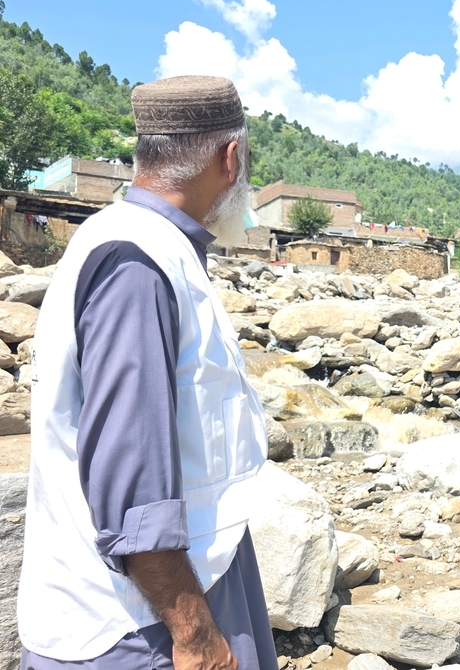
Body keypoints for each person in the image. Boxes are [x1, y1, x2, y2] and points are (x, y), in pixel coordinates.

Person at [18, 76, 278, 670]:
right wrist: (193, 634)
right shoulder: (137, 263)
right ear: (230, 158)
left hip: (168, 590)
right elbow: (133, 488)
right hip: (136, 624)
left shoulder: (142, 245)